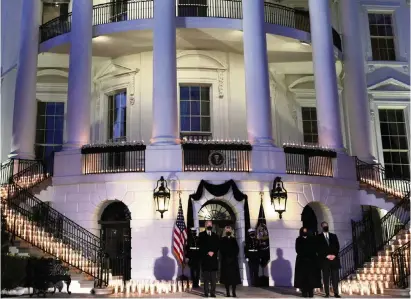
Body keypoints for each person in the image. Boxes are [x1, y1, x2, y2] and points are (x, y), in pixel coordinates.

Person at [294, 227, 321, 297]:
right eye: (303, 231)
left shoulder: (311, 239)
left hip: (311, 261)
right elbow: (298, 250)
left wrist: (309, 254)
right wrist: (305, 253)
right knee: (303, 278)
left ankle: (310, 292)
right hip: (302, 262)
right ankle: (304, 292)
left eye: (306, 231)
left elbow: (314, 249)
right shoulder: (298, 239)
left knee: (311, 278)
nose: (305, 232)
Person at [317, 222, 341, 298]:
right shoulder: (318, 237)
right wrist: (326, 255)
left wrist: (334, 255)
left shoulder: (333, 236)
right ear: (322, 227)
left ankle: (336, 293)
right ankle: (327, 293)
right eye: (324, 226)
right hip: (325, 261)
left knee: (335, 277)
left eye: (326, 225)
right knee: (326, 277)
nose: (325, 227)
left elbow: (337, 246)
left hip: (334, 260)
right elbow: (318, 249)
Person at [199, 220, 219, 297]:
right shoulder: (201, 235)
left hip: (213, 260)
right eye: (208, 224)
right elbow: (201, 246)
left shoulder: (215, 235)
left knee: (213, 279)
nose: (209, 225)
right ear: (205, 225)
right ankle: (206, 293)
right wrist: (207, 252)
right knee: (206, 279)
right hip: (205, 260)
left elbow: (217, 246)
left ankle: (213, 293)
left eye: (210, 224)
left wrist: (213, 252)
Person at [220, 226, 241, 297]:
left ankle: (234, 292)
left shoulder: (234, 239)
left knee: (234, 278)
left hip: (233, 262)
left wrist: (232, 257)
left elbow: (237, 249)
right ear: (225, 231)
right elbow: (221, 249)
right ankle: (228, 292)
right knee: (227, 278)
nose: (228, 231)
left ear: (231, 231)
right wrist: (227, 257)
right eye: (227, 230)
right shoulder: (222, 239)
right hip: (226, 261)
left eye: (229, 230)